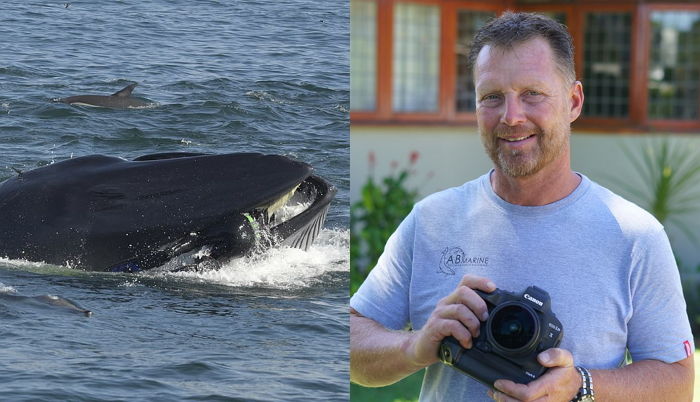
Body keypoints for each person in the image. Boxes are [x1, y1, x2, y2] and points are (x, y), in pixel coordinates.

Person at [350, 12, 694, 402]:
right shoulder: (431, 221)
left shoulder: (634, 235)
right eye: (492, 97)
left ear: (574, 101)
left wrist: (580, 387)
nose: (511, 117)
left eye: (532, 93)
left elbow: (677, 383)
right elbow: (351, 347)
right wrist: (415, 347)